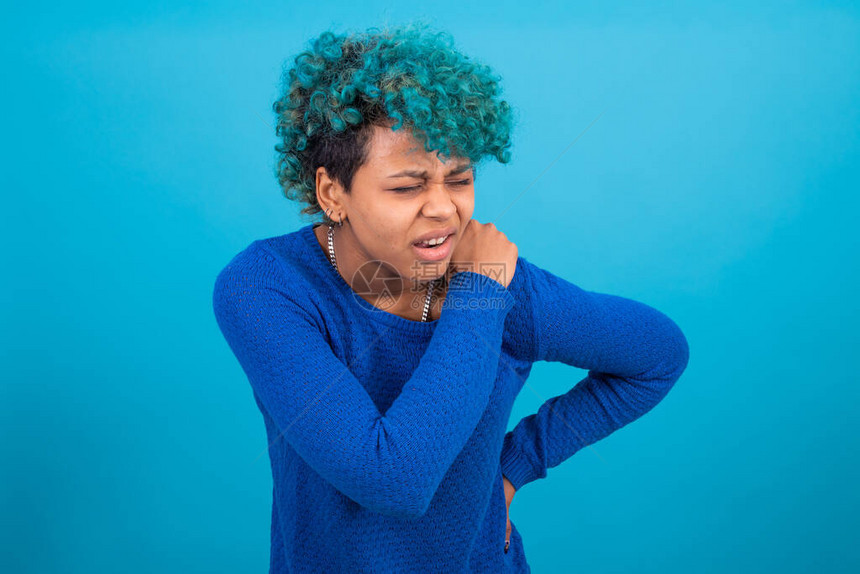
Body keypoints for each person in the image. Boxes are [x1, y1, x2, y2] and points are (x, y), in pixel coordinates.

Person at [212, 21, 690, 573]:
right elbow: (394, 481)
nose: (443, 209)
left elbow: (658, 356)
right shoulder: (267, 287)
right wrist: (481, 295)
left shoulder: (490, 279)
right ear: (331, 192)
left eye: (459, 180)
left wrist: (515, 465)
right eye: (407, 186)